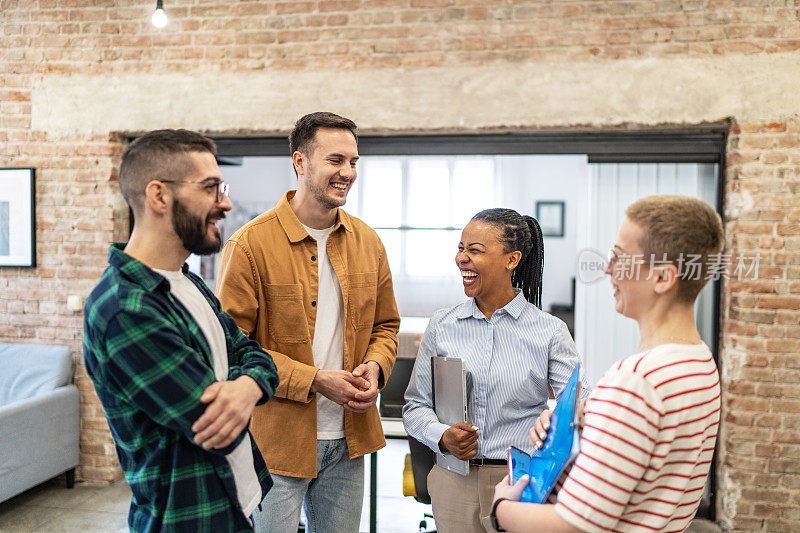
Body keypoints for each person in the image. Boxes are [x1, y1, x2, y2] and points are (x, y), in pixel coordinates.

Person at [83, 129, 279, 531]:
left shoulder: (184, 280)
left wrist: (247, 387)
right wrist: (255, 384)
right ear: (159, 196)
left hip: (236, 503)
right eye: (210, 188)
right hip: (188, 519)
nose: (225, 203)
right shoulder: (125, 309)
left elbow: (252, 353)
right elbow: (214, 422)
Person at [491, 195, 724, 533]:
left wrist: (501, 507)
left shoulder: (635, 381)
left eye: (620, 257)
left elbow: (572, 525)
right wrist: (586, 425)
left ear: (663, 278)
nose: (607, 268)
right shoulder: (699, 362)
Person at [215, 112, 400, 533]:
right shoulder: (250, 245)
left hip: (349, 442)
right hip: (274, 444)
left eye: (354, 162)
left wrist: (375, 366)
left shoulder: (368, 243)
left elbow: (385, 327)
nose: (348, 173)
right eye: (336, 160)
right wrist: (316, 380)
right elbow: (231, 348)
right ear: (300, 162)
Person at [403, 208, 589, 533]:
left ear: (511, 259)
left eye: (475, 250)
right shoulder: (442, 325)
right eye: (461, 248)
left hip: (516, 482)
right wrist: (442, 436)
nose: (462, 258)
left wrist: (559, 417)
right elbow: (415, 407)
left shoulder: (549, 331)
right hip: (451, 481)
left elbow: (579, 402)